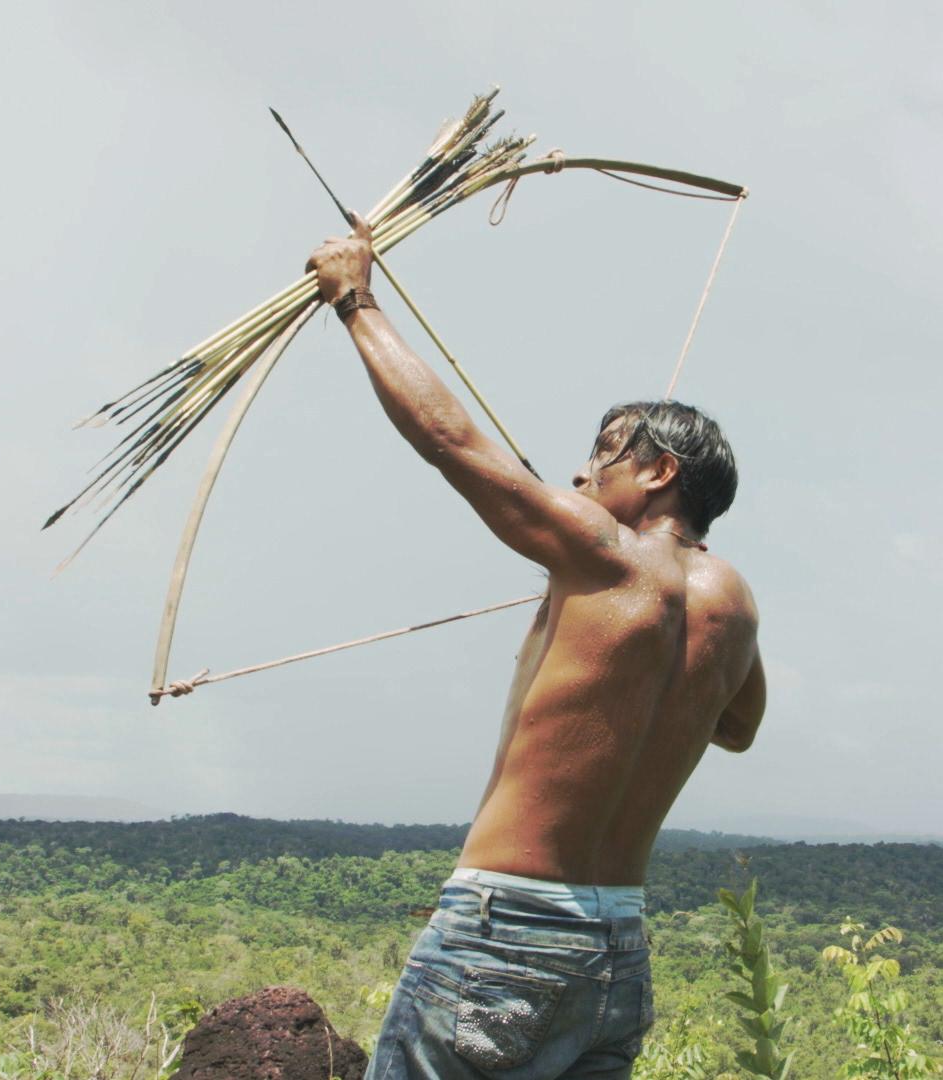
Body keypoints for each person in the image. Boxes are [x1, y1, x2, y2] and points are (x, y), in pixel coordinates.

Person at [308, 214, 765, 1079]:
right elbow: (736, 727)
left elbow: (452, 443)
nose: (584, 474)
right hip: (616, 946)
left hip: (505, 929)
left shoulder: (601, 550)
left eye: (605, 455)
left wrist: (355, 299)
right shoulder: (734, 603)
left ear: (661, 472)